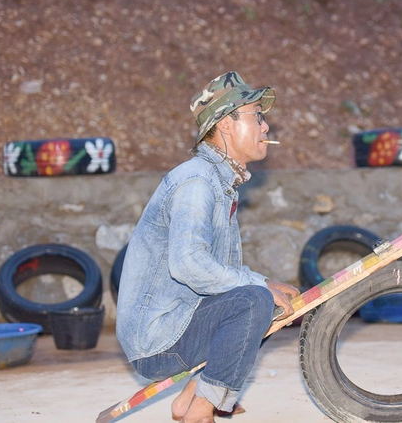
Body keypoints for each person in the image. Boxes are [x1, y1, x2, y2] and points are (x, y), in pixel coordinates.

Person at [116, 71, 299, 423]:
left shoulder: (218, 181)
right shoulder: (197, 182)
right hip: (156, 340)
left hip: (176, 324)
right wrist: (259, 287)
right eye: (257, 117)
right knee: (255, 300)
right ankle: (201, 411)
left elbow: (216, 275)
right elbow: (188, 265)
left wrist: (261, 282)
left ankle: (191, 397)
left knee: (265, 299)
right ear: (226, 125)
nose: (265, 127)